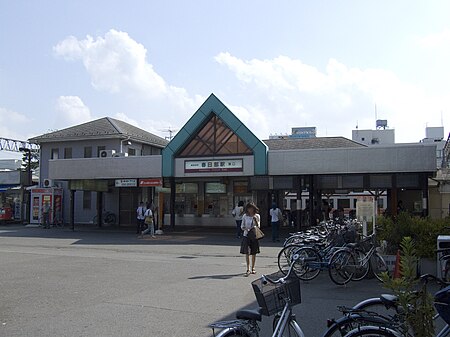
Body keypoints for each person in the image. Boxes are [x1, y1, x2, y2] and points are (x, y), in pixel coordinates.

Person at [240, 202, 261, 276]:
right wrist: (246, 229)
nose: (250, 210)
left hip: (254, 236)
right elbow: (242, 226)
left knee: (254, 252)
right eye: (249, 208)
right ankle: (248, 268)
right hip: (246, 235)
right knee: (247, 252)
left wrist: (255, 220)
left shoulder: (257, 216)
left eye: (251, 208)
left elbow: (258, 226)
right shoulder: (245, 216)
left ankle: (253, 267)